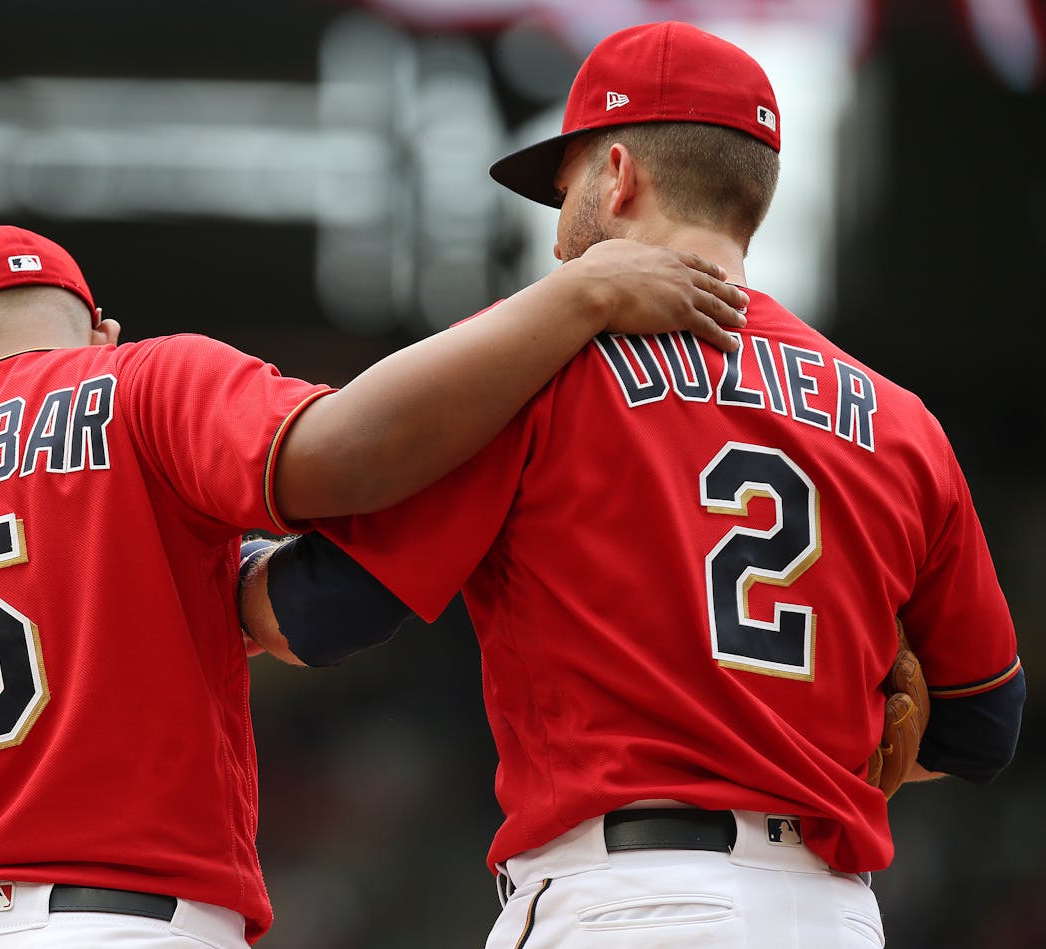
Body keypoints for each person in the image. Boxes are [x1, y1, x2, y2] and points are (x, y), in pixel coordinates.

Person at [0, 223, 750, 948]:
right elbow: (352, 466)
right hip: (130, 924)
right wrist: (564, 307)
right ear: (94, 326)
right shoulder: (141, 381)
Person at [238, 21, 1024, 948]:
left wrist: (210, 569)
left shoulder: (537, 367)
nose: (560, 218)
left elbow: (323, 612)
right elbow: (983, 727)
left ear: (617, 173)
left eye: (563, 183)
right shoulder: (901, 422)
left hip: (631, 899)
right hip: (830, 909)